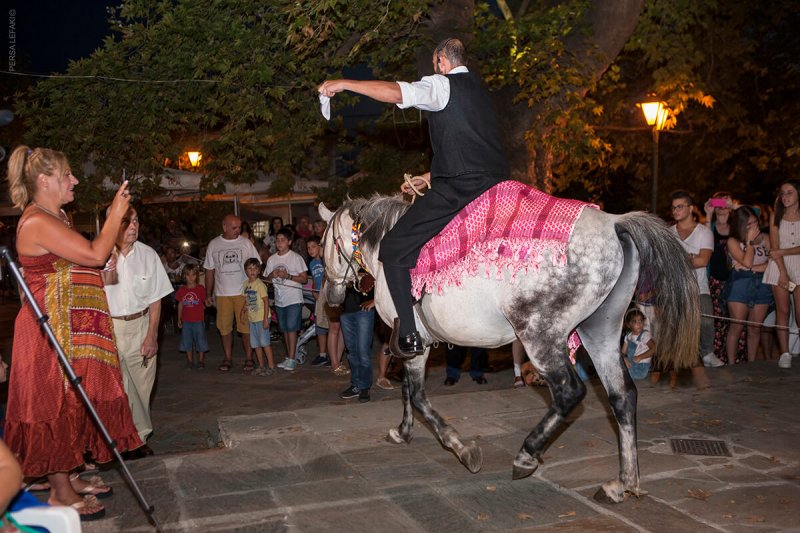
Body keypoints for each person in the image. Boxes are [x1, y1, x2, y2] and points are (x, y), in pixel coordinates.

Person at [318, 37, 510, 358]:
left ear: (441, 63)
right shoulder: (483, 94)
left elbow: (396, 92)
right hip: (497, 187)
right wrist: (429, 176)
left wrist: (344, 83)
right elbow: (476, 150)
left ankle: (409, 334)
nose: (434, 70)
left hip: (460, 192)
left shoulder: (441, 85)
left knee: (392, 250)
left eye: (435, 65)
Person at [4, 146, 141, 520]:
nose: (75, 180)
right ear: (45, 181)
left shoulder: (57, 215)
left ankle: (71, 475)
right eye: (68, 175)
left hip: (67, 328)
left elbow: (80, 260)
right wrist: (115, 214)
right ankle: (59, 492)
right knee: (54, 407)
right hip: (47, 331)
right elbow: (95, 254)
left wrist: (93, 260)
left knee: (71, 403)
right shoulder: (36, 222)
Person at [104, 206, 173, 445]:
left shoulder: (148, 255)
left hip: (141, 326)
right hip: (109, 329)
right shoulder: (97, 256)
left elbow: (156, 299)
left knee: (142, 389)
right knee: (114, 390)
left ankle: (139, 439)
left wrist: (152, 335)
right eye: (126, 221)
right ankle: (119, 437)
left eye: (136, 221)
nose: (133, 226)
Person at [669, 190, 723, 368]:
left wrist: (679, 260)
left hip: (699, 288)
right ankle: (681, 363)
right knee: (679, 329)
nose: (675, 210)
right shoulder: (668, 233)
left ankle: (707, 353)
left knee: (706, 321)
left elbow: (703, 260)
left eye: (680, 206)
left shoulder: (704, 233)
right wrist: (690, 257)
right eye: (673, 207)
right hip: (676, 290)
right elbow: (666, 262)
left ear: (690, 208)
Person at [203, 214, 261, 372]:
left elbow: (256, 264)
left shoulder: (246, 243)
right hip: (222, 293)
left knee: (246, 328)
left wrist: (255, 287)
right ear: (224, 227)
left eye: (239, 227)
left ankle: (249, 358)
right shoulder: (214, 244)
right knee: (224, 328)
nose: (238, 230)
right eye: (234, 227)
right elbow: (209, 270)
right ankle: (227, 357)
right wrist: (208, 293)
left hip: (243, 292)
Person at [725, 206, 773, 363]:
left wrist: (753, 268)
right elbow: (746, 260)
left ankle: (751, 363)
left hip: (762, 283)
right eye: (749, 224)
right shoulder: (733, 241)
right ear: (740, 224)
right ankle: (731, 364)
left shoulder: (765, 238)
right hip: (740, 283)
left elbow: (774, 264)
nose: (754, 227)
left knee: (755, 328)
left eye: (755, 222)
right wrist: (750, 242)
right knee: (737, 326)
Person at [703, 192, 746, 364]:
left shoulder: (737, 227)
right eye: (717, 205)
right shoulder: (710, 227)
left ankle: (737, 359)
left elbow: (754, 214)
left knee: (737, 322)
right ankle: (718, 358)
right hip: (716, 282)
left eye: (724, 205)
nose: (721, 209)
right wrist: (708, 214)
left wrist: (735, 207)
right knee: (719, 322)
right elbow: (703, 242)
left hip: (737, 281)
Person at [763, 180, 800, 369]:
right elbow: (775, 248)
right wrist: (783, 274)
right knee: (783, 310)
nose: (785, 196)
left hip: (798, 264)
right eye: (782, 193)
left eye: (790, 192)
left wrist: (784, 253)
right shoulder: (775, 215)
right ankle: (785, 353)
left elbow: (780, 251)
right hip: (779, 267)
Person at [265, 227, 309, 371]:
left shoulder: (296, 257)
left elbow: (303, 279)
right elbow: (267, 279)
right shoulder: (272, 259)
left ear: (289, 242)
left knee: (292, 328)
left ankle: (292, 358)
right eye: (277, 240)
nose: (279, 243)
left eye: (283, 240)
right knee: (284, 329)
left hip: (293, 299)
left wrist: (288, 276)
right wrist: (273, 274)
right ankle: (289, 356)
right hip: (280, 299)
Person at [338, 272, 377, 403]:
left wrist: (376, 300)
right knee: (351, 352)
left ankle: (364, 386)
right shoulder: (342, 261)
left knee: (363, 351)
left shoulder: (365, 259)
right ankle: (356, 384)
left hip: (364, 311)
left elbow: (383, 278)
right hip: (346, 311)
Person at [241, 258, 275, 376]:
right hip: (252, 319)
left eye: (255, 268)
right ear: (245, 271)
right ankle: (261, 366)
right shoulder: (246, 284)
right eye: (250, 268)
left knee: (265, 342)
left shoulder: (260, 285)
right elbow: (247, 300)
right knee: (255, 344)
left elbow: (266, 302)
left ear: (259, 271)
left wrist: (266, 318)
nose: (252, 271)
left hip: (262, 318)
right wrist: (242, 312)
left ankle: (271, 366)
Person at [176, 263, 209, 369]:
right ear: (184, 276)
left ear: (197, 276)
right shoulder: (182, 290)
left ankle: (201, 361)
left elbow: (205, 302)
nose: (191, 277)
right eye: (188, 275)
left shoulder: (201, 289)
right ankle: (189, 361)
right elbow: (180, 304)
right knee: (187, 340)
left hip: (198, 320)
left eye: (193, 275)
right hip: (186, 321)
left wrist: (206, 306)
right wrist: (179, 318)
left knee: (200, 339)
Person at [306, 236, 331, 367]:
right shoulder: (311, 263)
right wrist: (313, 291)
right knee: (320, 326)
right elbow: (314, 280)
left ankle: (333, 354)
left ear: (320, 247)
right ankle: (322, 355)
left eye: (313, 246)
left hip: (328, 295)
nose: (310, 250)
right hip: (318, 298)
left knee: (332, 326)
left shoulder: (325, 260)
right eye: (308, 248)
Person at [621, 308, 656, 381]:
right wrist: (625, 359)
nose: (639, 324)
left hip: (641, 366)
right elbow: (623, 352)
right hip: (631, 364)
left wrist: (640, 357)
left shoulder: (645, 335)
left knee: (622, 374)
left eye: (641, 321)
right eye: (635, 322)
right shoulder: (628, 336)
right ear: (629, 324)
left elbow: (654, 349)